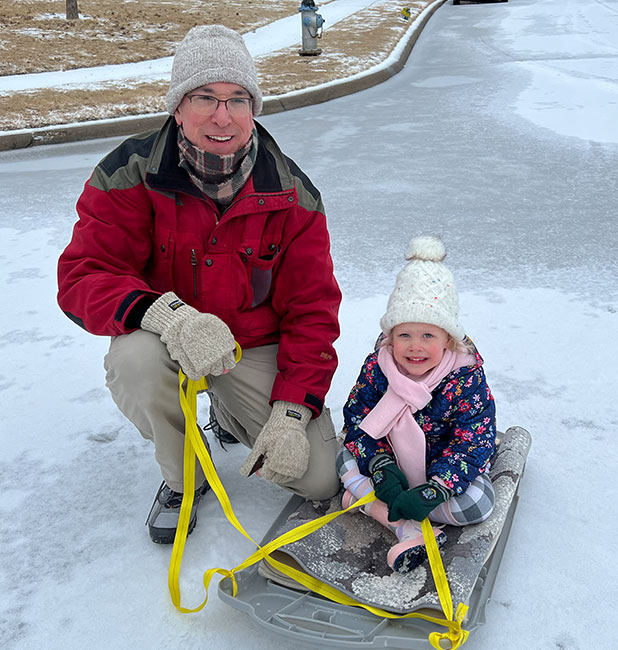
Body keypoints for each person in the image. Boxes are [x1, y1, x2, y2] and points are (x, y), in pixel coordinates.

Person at [57, 25, 342, 544]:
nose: (222, 115)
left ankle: (233, 417)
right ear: (177, 107)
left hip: (251, 348)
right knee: (133, 361)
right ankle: (185, 474)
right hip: (167, 338)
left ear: (253, 108)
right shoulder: (128, 173)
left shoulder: (292, 194)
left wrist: (293, 409)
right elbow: (84, 275)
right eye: (204, 97)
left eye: (237, 99)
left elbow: (313, 312)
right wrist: (168, 316)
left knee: (319, 478)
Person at [338, 236, 496, 573]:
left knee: (479, 503)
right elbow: (357, 418)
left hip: (440, 469)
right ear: (390, 337)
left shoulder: (465, 378)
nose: (415, 347)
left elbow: (473, 441)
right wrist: (380, 465)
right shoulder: (377, 368)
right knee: (343, 457)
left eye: (428, 336)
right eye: (405, 335)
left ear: (448, 339)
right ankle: (402, 522)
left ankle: (373, 506)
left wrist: (437, 488)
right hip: (390, 467)